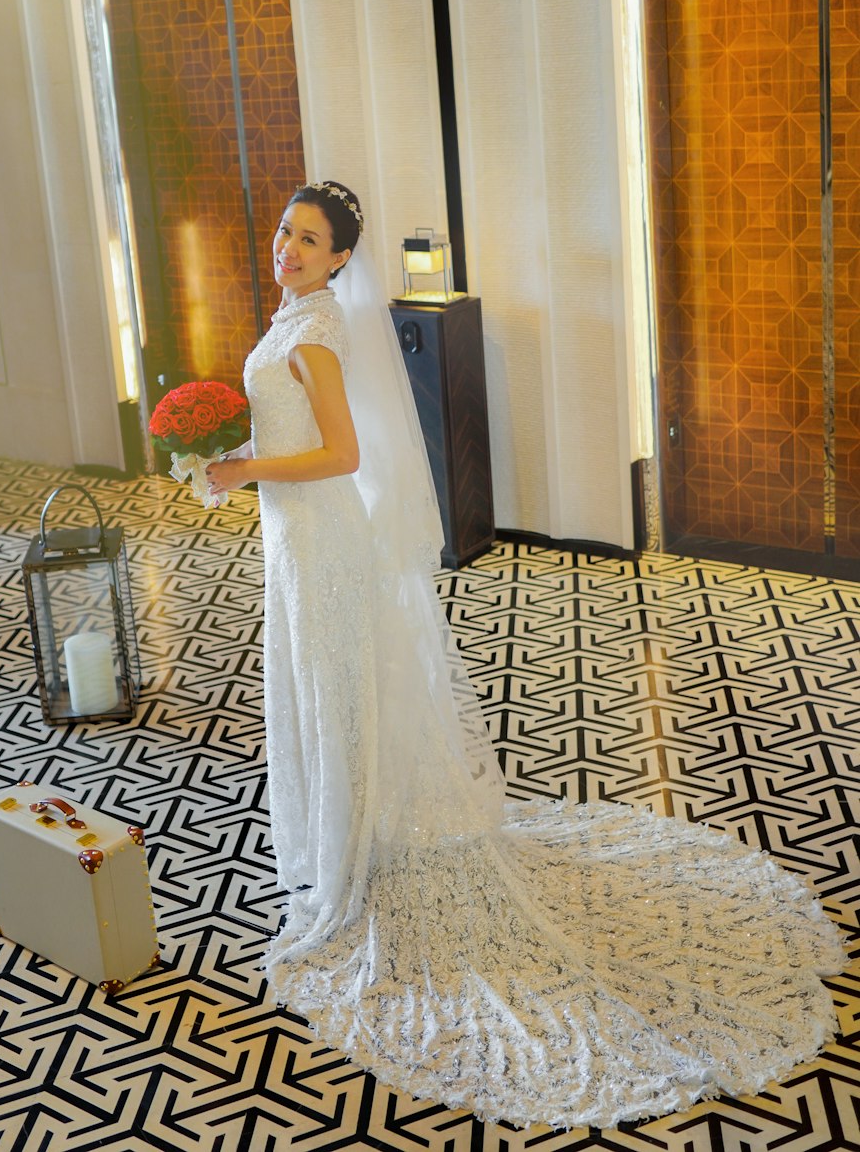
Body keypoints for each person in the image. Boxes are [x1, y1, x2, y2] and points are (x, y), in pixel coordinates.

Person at [204, 180, 845, 1130]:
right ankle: (349, 837)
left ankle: (356, 856)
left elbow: (341, 455)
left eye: (309, 240)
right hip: (293, 539)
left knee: (340, 688)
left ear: (341, 256)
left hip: (322, 537)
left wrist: (246, 465)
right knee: (325, 688)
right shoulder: (295, 316)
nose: (289, 249)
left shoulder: (317, 332)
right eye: (285, 233)